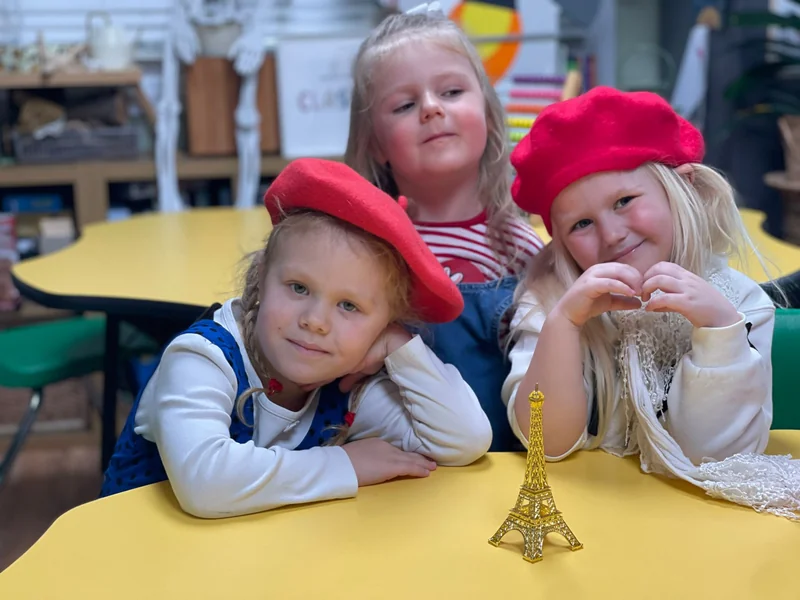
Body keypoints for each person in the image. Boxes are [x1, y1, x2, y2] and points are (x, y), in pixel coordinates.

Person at [100, 158, 493, 518]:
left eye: (349, 307)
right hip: (141, 565)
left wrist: (400, 346)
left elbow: (465, 440)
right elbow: (204, 484)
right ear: (261, 277)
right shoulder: (201, 358)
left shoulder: (343, 383)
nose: (316, 321)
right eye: (299, 288)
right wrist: (347, 465)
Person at [503, 86, 799, 519]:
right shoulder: (549, 304)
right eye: (582, 224)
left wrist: (719, 332)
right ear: (561, 244)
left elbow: (712, 457)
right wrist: (563, 325)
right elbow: (547, 444)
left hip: (700, 527)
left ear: (682, 189)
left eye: (624, 201)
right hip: (590, 515)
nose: (611, 234)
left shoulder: (738, 302)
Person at [345, 3, 542, 450]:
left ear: (490, 116)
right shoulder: (366, 249)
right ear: (376, 144)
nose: (431, 109)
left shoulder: (520, 247)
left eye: (451, 92)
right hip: (404, 466)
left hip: (503, 462)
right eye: (405, 104)